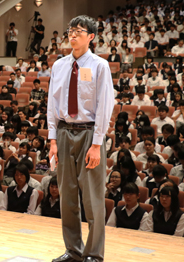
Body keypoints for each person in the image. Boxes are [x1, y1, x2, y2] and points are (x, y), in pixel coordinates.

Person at [48, 15, 114, 262]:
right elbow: (51, 105)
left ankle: (94, 254)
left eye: (78, 31)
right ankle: (73, 250)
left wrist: (97, 144)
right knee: (67, 195)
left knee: (93, 197)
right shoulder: (59, 66)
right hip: (64, 131)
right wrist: (53, 140)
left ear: (91, 37)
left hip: (89, 134)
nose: (72, 35)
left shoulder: (99, 65)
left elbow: (105, 106)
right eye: (70, 30)